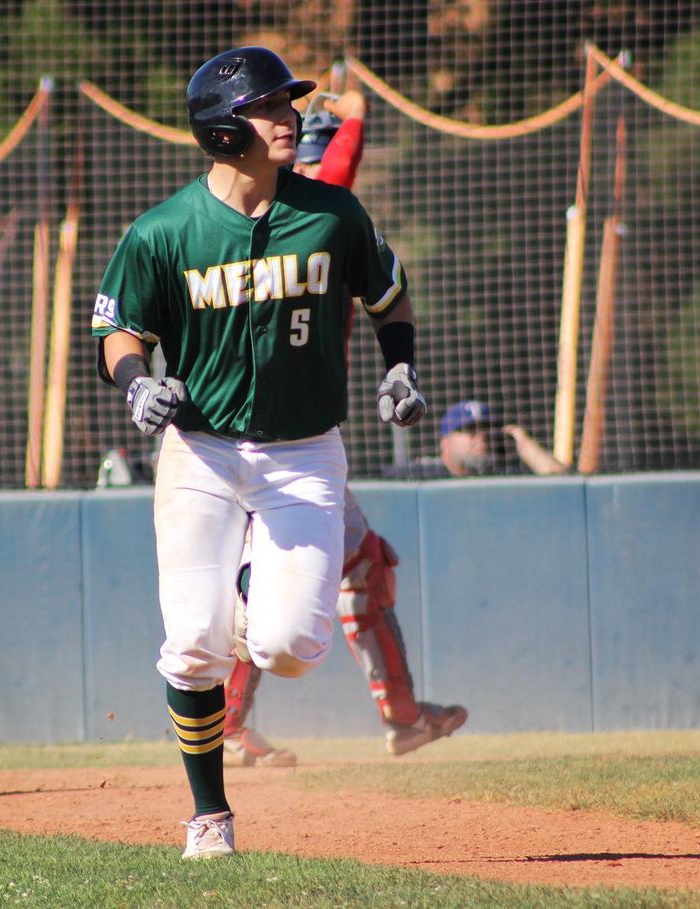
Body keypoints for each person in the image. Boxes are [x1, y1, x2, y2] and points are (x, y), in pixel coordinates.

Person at [90, 46, 426, 859]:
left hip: (305, 452)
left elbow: (387, 295)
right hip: (200, 453)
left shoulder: (332, 214)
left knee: (290, 648)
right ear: (220, 130)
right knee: (193, 647)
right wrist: (137, 381)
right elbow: (115, 329)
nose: (292, 117)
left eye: (290, 102)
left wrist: (401, 365)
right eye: (270, 107)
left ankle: (247, 594)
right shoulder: (164, 230)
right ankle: (210, 815)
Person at [222, 87, 468, 770]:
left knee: (361, 565)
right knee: (260, 591)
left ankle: (403, 717)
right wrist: (355, 115)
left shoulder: (306, 216)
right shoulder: (298, 202)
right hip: (255, 441)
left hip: (292, 441)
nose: (317, 146)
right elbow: (336, 174)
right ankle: (226, 724)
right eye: (313, 137)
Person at [433, 399, 569, 478]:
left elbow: (564, 486)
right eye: (470, 430)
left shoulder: (504, 476)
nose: (482, 436)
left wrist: (525, 445)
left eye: (487, 428)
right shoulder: (425, 475)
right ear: (445, 443)